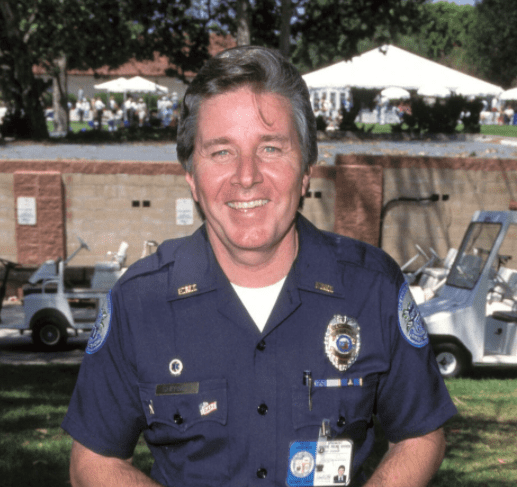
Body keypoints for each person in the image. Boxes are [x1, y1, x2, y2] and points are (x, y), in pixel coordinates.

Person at [63, 46, 457, 487]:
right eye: (221, 152)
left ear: (306, 167)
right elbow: (93, 462)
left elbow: (421, 434)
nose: (246, 176)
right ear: (191, 174)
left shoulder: (373, 288)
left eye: (270, 148)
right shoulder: (139, 303)